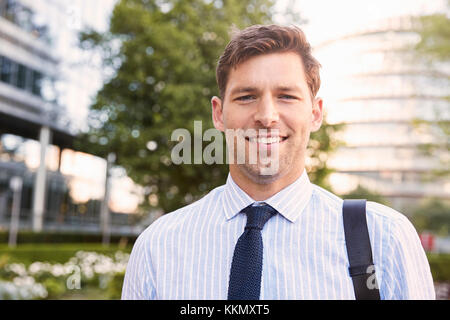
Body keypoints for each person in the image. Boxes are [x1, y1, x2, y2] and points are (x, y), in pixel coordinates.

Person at [121, 24, 435, 300]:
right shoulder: (158, 246)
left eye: (286, 96)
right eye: (246, 96)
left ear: (315, 113)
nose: (267, 116)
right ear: (218, 113)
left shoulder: (384, 238)